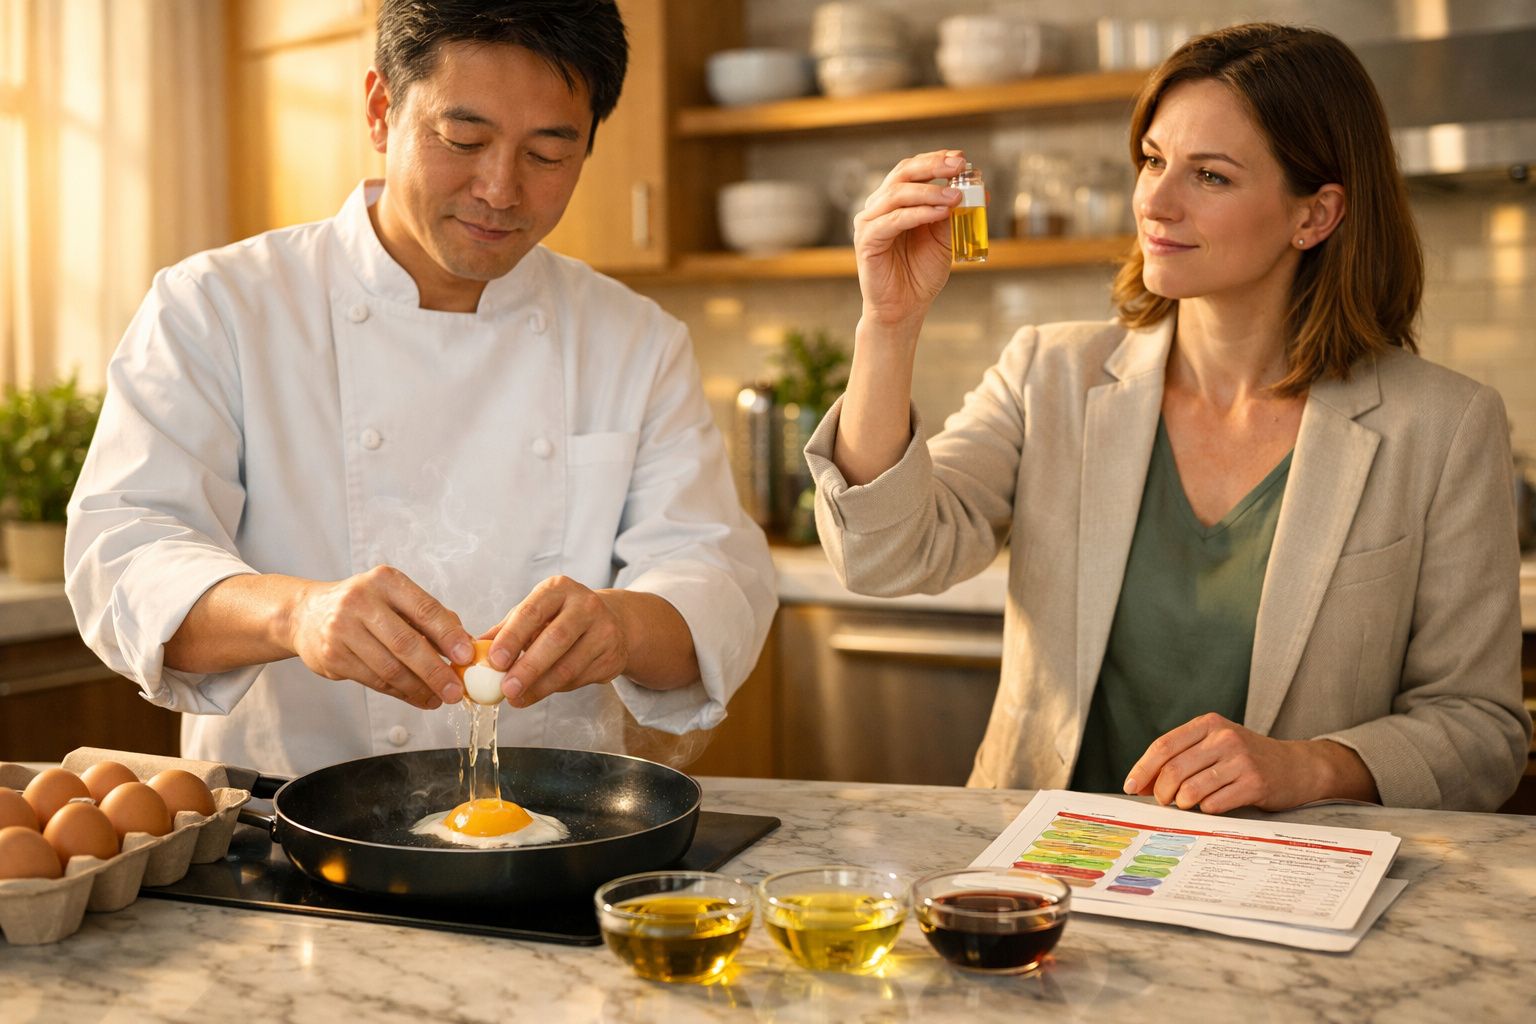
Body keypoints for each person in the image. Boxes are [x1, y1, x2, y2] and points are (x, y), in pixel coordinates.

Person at [806, 22, 1531, 813]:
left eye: (1210, 176)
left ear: (1315, 215)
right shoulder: (1049, 375)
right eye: (1153, 159)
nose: (1154, 199)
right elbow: (882, 556)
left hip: (1284, 892)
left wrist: (1313, 766)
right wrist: (888, 324)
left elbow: (1483, 733)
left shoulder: (1446, 426)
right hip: (1045, 882)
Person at [64, 0, 776, 777]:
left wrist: (626, 627)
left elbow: (715, 576)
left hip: (559, 827)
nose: (500, 189)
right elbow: (124, 555)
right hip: (284, 830)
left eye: (547, 154)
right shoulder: (219, 307)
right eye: (463, 139)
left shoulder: (634, 340)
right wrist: (297, 614)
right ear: (380, 110)